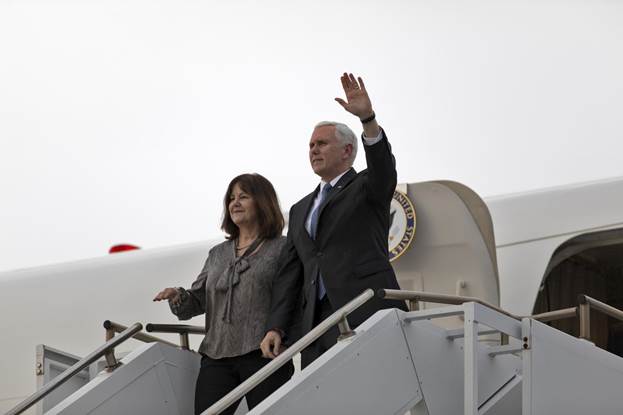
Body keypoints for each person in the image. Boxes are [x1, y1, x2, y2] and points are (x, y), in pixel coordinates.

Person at [260, 73, 408, 368]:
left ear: (347, 151)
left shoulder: (367, 187)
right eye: (311, 145)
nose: (313, 150)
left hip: (366, 311)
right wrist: (276, 325)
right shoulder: (300, 209)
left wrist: (368, 119)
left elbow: (382, 166)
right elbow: (292, 275)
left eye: (322, 144)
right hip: (318, 327)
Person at [153, 173, 293, 415]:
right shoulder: (217, 254)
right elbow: (197, 301)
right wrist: (177, 295)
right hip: (216, 357)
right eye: (231, 198)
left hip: (263, 354)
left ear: (262, 202)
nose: (235, 203)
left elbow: (289, 297)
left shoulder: (282, 248)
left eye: (243, 196)